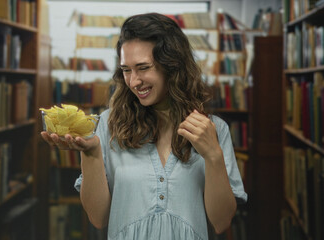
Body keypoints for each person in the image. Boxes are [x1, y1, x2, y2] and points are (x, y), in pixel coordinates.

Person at [41, 12, 247, 240]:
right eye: (126, 70)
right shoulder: (108, 126)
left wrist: (213, 156)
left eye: (143, 67)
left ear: (172, 65)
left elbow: (221, 222)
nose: (133, 81)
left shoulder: (214, 129)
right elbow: (98, 218)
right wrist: (91, 154)